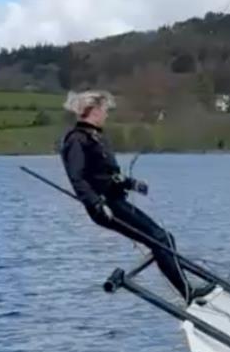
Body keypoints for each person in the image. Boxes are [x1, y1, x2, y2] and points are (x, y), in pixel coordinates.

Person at [59, 90, 214, 304]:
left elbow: (106, 175)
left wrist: (132, 184)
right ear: (93, 111)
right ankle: (187, 292)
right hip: (106, 207)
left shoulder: (95, 137)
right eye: (104, 110)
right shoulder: (77, 140)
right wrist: (95, 203)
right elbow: (77, 178)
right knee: (159, 239)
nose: (107, 115)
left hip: (116, 201)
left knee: (164, 238)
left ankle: (186, 288)